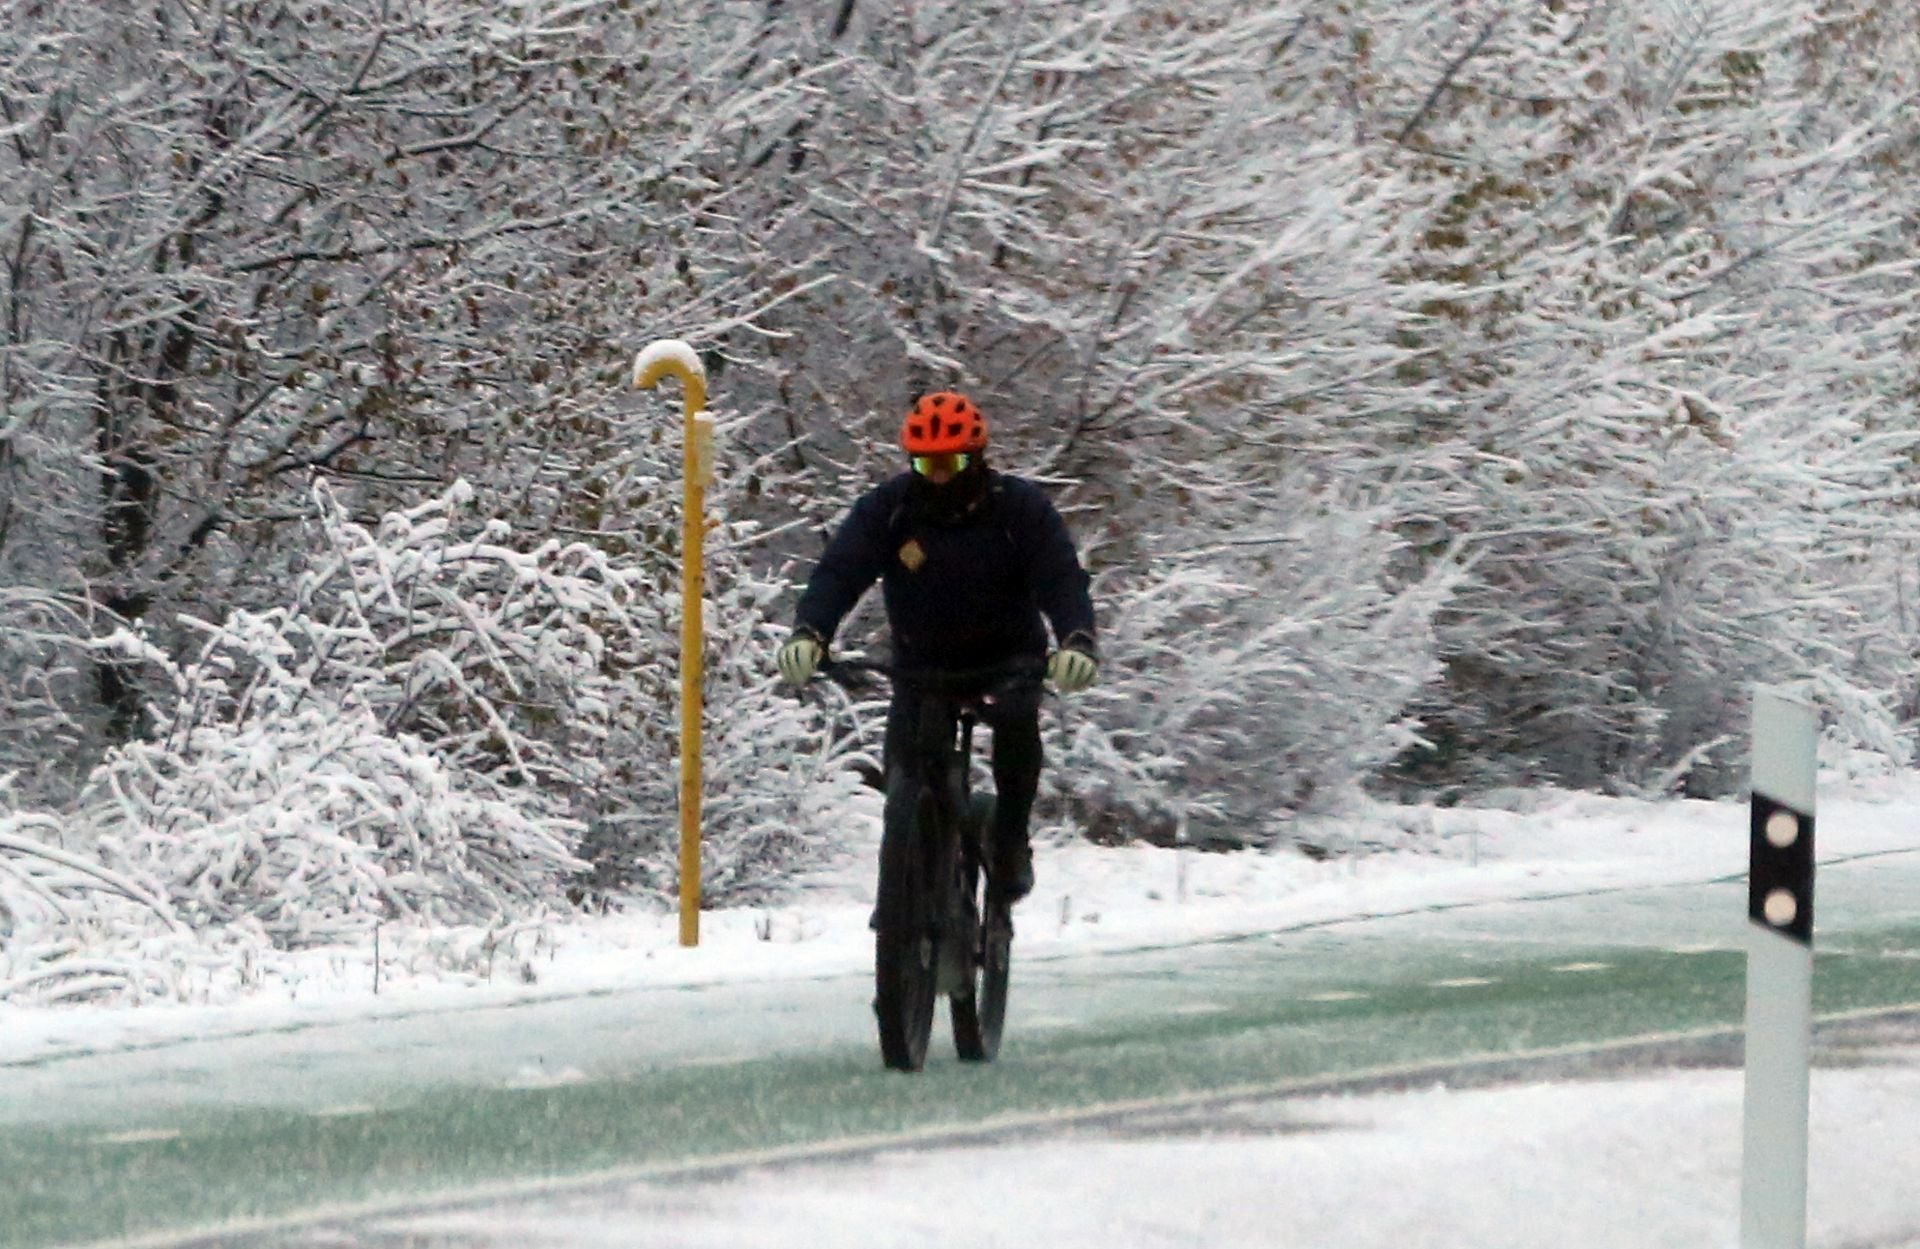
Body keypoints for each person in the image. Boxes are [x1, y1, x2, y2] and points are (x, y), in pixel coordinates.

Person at [776, 391, 1098, 902]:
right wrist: (810, 632)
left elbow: (1061, 578)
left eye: (953, 463)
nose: (941, 476)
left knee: (1017, 730)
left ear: (978, 457)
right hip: (922, 666)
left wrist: (1077, 639)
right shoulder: (889, 510)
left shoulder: (1019, 509)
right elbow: (840, 570)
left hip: (1007, 661)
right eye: (928, 464)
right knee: (902, 778)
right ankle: (899, 901)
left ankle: (1010, 839)